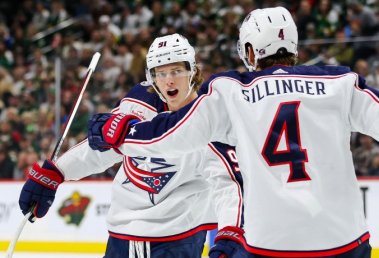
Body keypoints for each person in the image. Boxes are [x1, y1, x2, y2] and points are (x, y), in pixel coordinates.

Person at [86, 7, 379, 258]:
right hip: (344, 242)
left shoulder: (231, 90)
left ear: (251, 52)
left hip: (271, 244)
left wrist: (119, 132)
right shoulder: (340, 83)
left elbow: (171, 134)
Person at [18, 34, 243, 258]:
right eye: (160, 73)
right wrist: (56, 172)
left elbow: (227, 183)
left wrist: (229, 233)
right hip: (121, 235)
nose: (169, 81)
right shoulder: (140, 101)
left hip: (177, 239)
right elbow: (104, 148)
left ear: (193, 71)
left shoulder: (210, 117)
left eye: (176, 71)